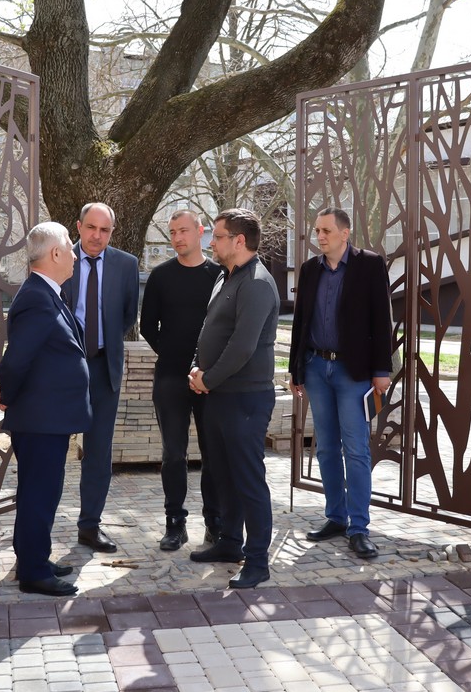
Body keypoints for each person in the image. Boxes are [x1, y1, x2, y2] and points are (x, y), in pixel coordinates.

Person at [288, 207, 395, 559]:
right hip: (316, 368)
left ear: (345, 233)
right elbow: (300, 320)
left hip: (353, 372)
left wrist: (382, 369)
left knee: (356, 448)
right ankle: (335, 516)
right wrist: (295, 369)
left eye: (326, 231)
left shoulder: (369, 265)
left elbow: (381, 319)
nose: (320, 236)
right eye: (317, 230)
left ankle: (359, 527)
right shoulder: (309, 269)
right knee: (326, 448)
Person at [0, 222, 91, 597]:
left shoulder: (46, 293)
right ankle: (34, 571)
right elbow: (16, 359)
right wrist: (8, 394)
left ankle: (34, 558)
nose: (75, 255)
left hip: (48, 417)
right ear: (55, 253)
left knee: (41, 493)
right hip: (40, 419)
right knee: (39, 494)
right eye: (70, 247)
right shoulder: (37, 297)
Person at [187, 209, 280, 589]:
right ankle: (229, 542)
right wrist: (197, 368)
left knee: (247, 478)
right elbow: (209, 330)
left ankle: (257, 561)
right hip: (219, 395)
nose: (211, 243)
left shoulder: (257, 283)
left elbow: (242, 346)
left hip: (246, 399)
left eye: (218, 236)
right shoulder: (226, 277)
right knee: (221, 474)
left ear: (239, 240)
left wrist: (207, 379)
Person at [140, 210, 223, 551]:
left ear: (201, 232)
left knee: (212, 453)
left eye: (183, 231)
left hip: (210, 378)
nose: (177, 238)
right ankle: (175, 523)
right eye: (172, 232)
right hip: (171, 377)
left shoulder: (219, 275)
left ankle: (214, 523)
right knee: (173, 454)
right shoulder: (160, 276)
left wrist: (207, 367)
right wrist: (172, 353)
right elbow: (148, 326)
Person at [63, 202, 140, 553]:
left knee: (98, 452)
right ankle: (37, 532)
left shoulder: (126, 265)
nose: (97, 236)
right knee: (52, 450)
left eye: (104, 230)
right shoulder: (60, 258)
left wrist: (100, 343)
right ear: (78, 227)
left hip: (103, 368)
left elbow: (127, 316)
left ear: (112, 232)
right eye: (91, 227)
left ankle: (90, 527)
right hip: (64, 368)